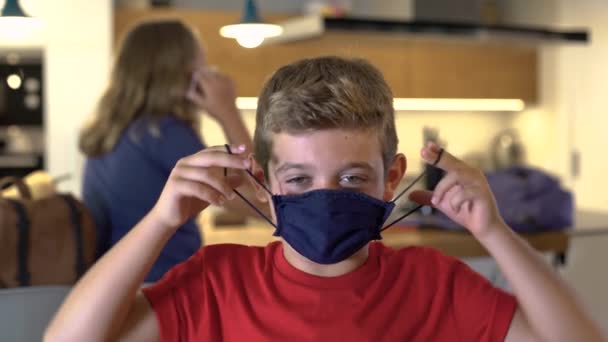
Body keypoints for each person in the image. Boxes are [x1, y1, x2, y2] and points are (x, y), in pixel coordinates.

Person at [46, 57, 604, 341]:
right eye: (299, 180)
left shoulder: (438, 287)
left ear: (393, 180)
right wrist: (161, 220)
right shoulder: (214, 285)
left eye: (352, 179)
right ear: (264, 179)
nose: (325, 197)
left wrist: (495, 234)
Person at [78, 20, 254, 282]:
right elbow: (254, 199)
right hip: (162, 282)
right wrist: (228, 111)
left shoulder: (112, 132)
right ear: (181, 72)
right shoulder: (163, 131)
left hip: (117, 281)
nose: (207, 72)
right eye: (201, 65)